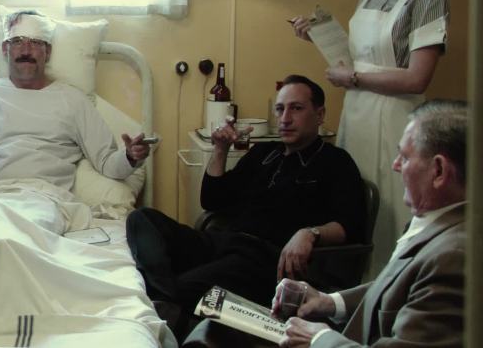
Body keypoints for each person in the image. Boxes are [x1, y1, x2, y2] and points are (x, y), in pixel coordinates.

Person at [126, 75, 365, 339]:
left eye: (296, 108)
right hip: (223, 242)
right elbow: (213, 200)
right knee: (141, 219)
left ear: (319, 115)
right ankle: (168, 297)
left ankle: (168, 296)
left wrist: (310, 233)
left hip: (264, 260)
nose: (285, 118)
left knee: (187, 285)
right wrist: (220, 149)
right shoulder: (264, 153)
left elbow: (350, 225)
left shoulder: (335, 161)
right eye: (280, 109)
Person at [290, 0, 449, 274]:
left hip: (395, 116)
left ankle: (389, 288)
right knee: (354, 199)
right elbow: (358, 55)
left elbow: (417, 77)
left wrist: (354, 77)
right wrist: (318, 37)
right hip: (357, 112)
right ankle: (349, 288)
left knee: (391, 206)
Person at [275, 99, 466, 348]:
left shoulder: (453, 256)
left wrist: (319, 339)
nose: (395, 165)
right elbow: (400, 287)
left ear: (439, 171)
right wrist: (329, 301)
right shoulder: (437, 223)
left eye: (405, 157)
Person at [0, 10, 150, 252]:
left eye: (36, 43)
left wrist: (130, 157)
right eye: (17, 41)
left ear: (48, 52)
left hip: (45, 198)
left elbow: (106, 162)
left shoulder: (73, 100)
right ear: (5, 49)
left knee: (27, 236)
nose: (26, 50)